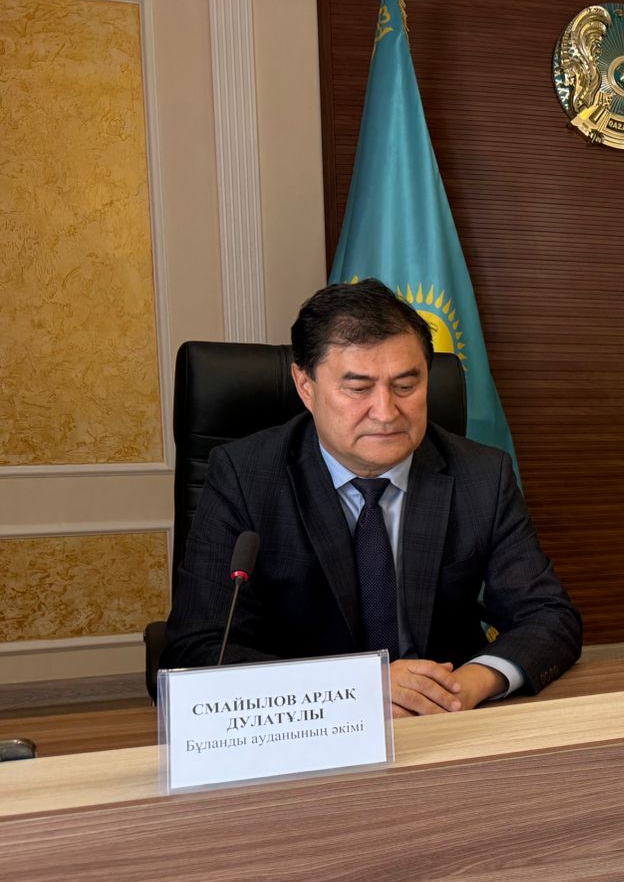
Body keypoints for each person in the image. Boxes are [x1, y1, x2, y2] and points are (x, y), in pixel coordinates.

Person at [162, 280, 582, 714]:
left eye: (406, 385)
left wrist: (465, 685)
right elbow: (197, 649)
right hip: (306, 728)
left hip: (443, 720)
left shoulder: (481, 475)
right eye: (359, 388)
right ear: (305, 386)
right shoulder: (245, 477)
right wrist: (356, 689)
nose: (386, 412)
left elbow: (549, 617)